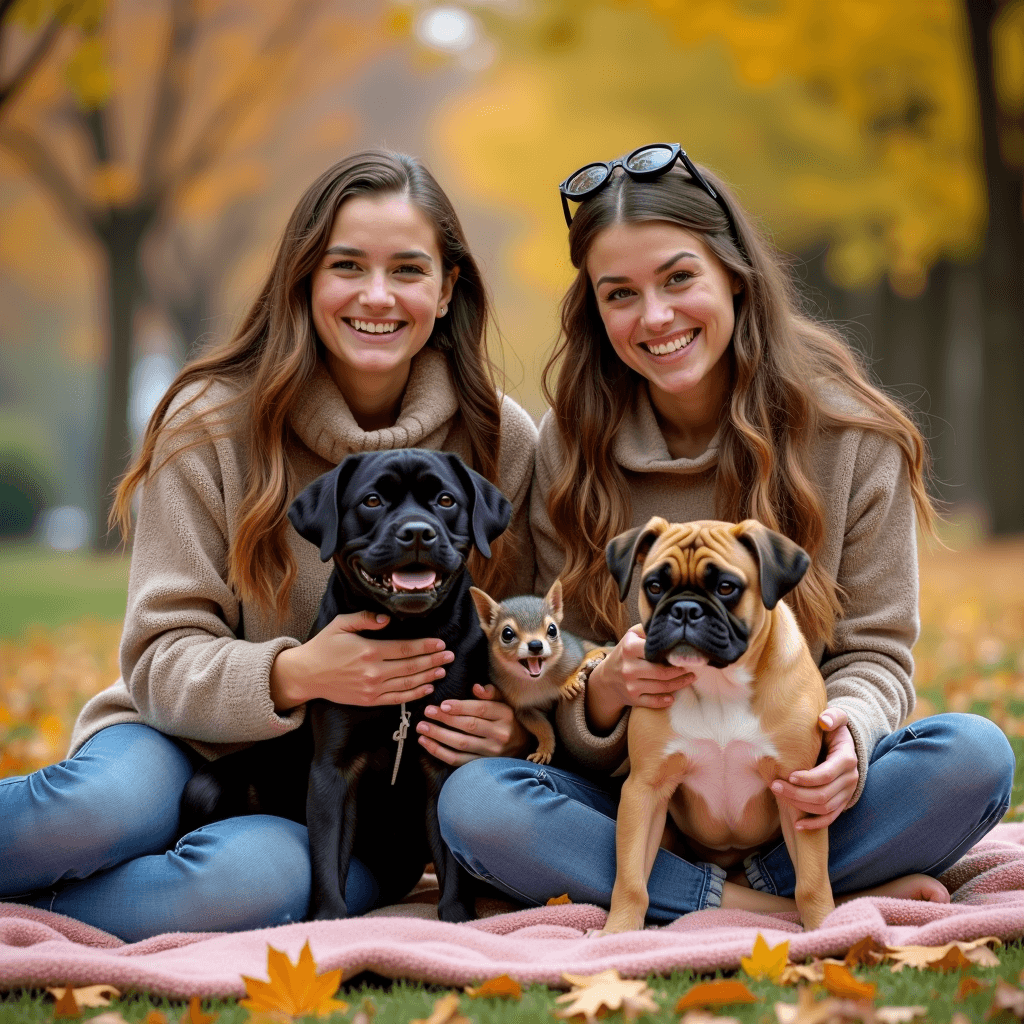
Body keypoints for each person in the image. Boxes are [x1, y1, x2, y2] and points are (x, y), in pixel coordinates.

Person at [439, 144, 1015, 922]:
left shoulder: (849, 436)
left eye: (679, 278)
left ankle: (723, 894)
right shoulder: (568, 448)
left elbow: (877, 652)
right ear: (595, 310)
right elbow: (555, 659)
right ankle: (778, 899)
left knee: (972, 758)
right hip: (650, 810)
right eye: (620, 294)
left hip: (802, 794)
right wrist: (603, 691)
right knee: (479, 804)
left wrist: (847, 738)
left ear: (734, 276)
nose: (656, 317)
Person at [0, 150, 537, 941]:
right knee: (81, 815)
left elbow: (537, 637)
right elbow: (158, 655)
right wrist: (295, 672)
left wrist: (516, 728)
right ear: (302, 279)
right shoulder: (212, 419)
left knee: (248, 884)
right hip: (179, 739)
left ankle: (50, 905)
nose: (378, 295)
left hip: (352, 799)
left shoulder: (500, 439)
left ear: (448, 287)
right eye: (346, 265)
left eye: (409, 270)